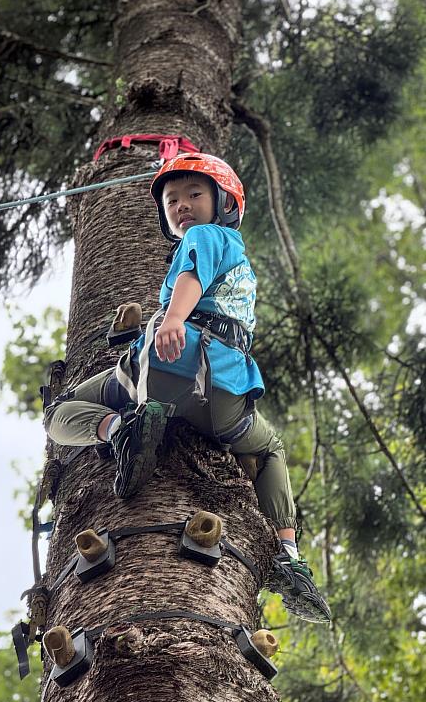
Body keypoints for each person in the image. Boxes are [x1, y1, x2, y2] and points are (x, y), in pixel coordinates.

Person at [44, 152, 330, 623]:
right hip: (221, 395)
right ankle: (288, 554)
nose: (181, 205)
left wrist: (173, 318)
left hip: (170, 367)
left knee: (61, 415)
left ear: (223, 203)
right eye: (172, 199)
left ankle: (116, 429)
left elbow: (191, 278)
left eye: (194, 194)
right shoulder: (238, 265)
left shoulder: (206, 236)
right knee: (269, 448)